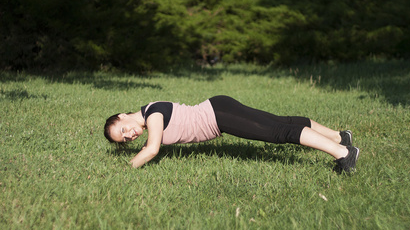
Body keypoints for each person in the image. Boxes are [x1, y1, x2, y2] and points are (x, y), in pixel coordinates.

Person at [104, 95, 359, 172]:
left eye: (123, 129)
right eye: (124, 138)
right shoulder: (150, 116)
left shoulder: (153, 115)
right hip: (219, 111)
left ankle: (344, 153)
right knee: (282, 122)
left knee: (278, 131)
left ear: (123, 115)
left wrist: (126, 170)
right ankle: (339, 137)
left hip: (220, 115)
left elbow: (152, 149)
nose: (128, 135)